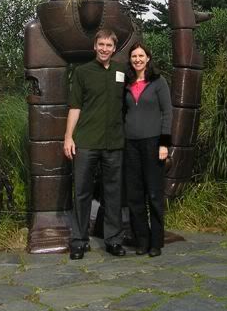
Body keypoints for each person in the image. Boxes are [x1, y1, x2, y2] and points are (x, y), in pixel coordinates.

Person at [64, 29, 126, 260]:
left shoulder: (122, 71)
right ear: (95, 46)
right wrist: (68, 137)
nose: (104, 49)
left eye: (109, 45)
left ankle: (113, 240)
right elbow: (75, 107)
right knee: (81, 193)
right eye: (101, 44)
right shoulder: (82, 72)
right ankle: (79, 241)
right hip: (86, 141)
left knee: (113, 194)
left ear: (114, 48)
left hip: (114, 142)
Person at [124, 42, 172, 257]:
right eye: (134, 56)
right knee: (134, 196)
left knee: (154, 195)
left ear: (148, 58)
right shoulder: (126, 83)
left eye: (141, 56)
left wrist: (164, 143)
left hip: (153, 144)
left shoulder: (158, 82)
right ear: (130, 59)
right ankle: (142, 240)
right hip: (130, 145)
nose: (137, 59)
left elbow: (167, 113)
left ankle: (156, 242)